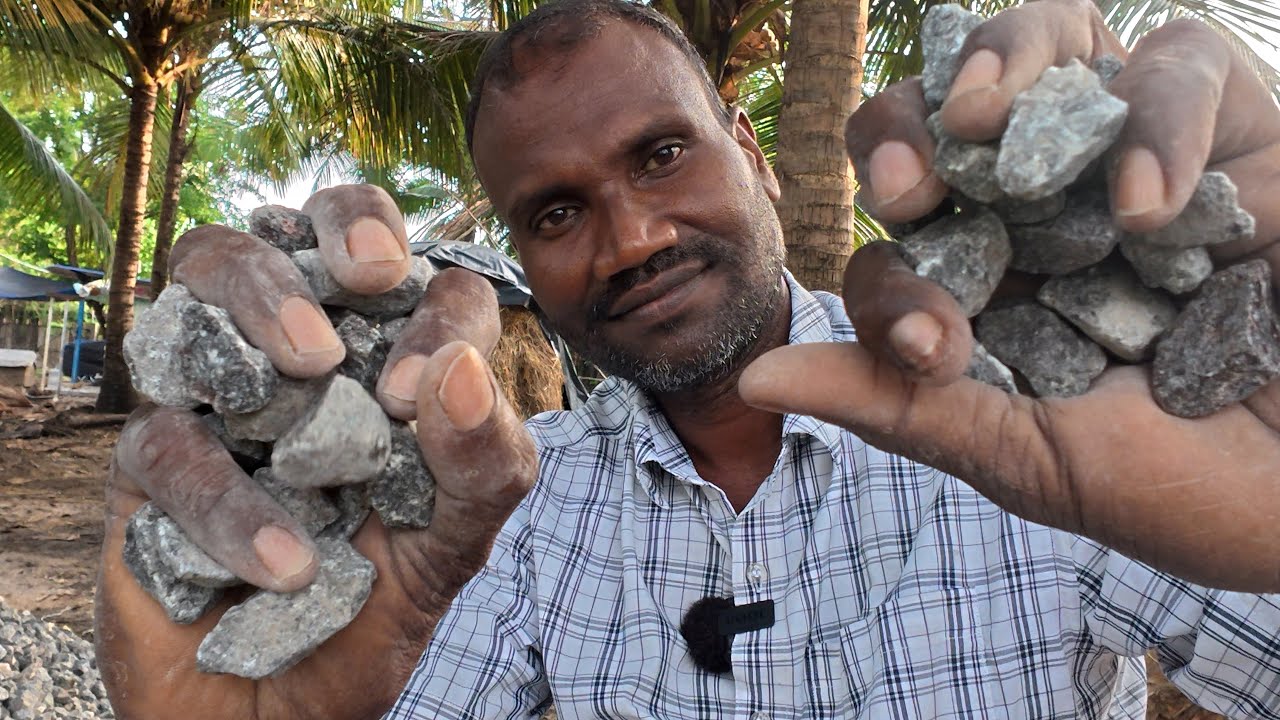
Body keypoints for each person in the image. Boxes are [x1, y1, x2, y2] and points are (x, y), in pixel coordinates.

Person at [95, 0, 1280, 717]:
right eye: (554, 215)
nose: (631, 238)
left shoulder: (1036, 429)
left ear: (752, 150)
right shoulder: (503, 505)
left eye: (661, 153)